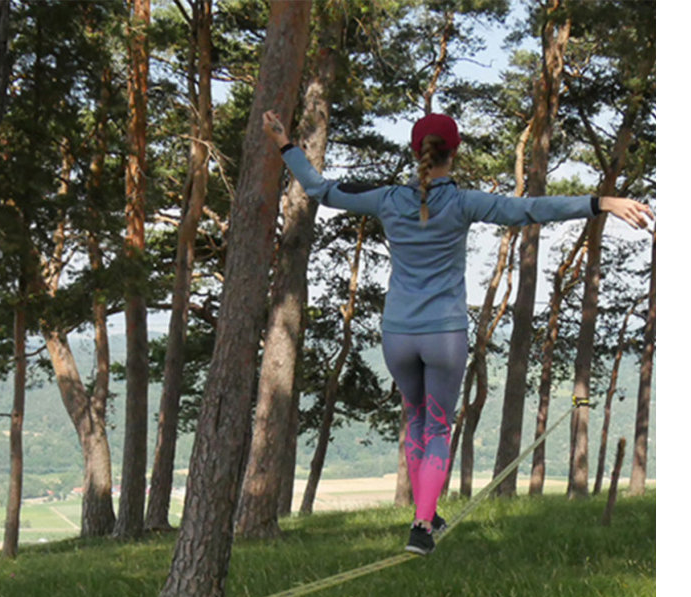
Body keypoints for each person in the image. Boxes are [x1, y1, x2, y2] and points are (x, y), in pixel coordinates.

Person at [262, 110, 653, 556]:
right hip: (444, 334)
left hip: (398, 335)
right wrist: (600, 202)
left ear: (415, 152)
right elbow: (529, 209)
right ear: (455, 151)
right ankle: (422, 526)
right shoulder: (464, 202)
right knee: (439, 427)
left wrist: (284, 143)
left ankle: (425, 516)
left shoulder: (387, 199)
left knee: (416, 420)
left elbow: (318, 189)